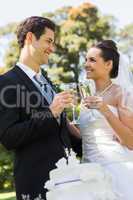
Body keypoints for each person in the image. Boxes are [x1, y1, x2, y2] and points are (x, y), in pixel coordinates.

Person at [0, 16, 80, 200]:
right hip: (37, 184)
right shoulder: (6, 83)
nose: (52, 48)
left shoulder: (49, 83)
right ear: (29, 38)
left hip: (69, 181)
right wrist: (50, 113)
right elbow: (9, 137)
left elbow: (60, 134)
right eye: (48, 41)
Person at [80, 40, 133, 199]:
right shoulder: (86, 97)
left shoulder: (121, 94)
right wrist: (64, 122)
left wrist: (105, 111)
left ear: (108, 64)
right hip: (88, 170)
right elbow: (88, 135)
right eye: (86, 60)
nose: (86, 64)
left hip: (115, 169)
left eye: (92, 60)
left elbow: (130, 141)